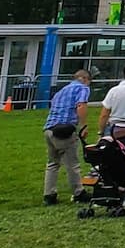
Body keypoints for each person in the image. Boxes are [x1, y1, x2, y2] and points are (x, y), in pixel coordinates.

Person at [42, 67, 93, 205]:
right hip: (64, 130)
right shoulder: (82, 88)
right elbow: (81, 105)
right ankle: (78, 192)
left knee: (52, 163)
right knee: (72, 163)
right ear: (84, 79)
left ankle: (49, 194)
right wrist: (83, 126)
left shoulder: (61, 91)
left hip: (49, 129)